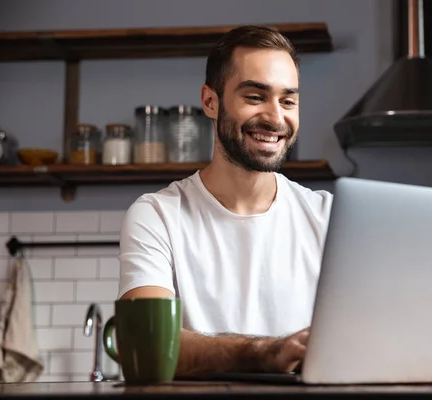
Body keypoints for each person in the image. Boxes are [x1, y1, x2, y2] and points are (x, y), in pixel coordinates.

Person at [117, 25, 333, 378]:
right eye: (255, 97)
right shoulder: (157, 215)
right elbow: (145, 344)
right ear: (210, 102)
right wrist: (265, 353)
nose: (276, 117)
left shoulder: (327, 217)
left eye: (288, 100)